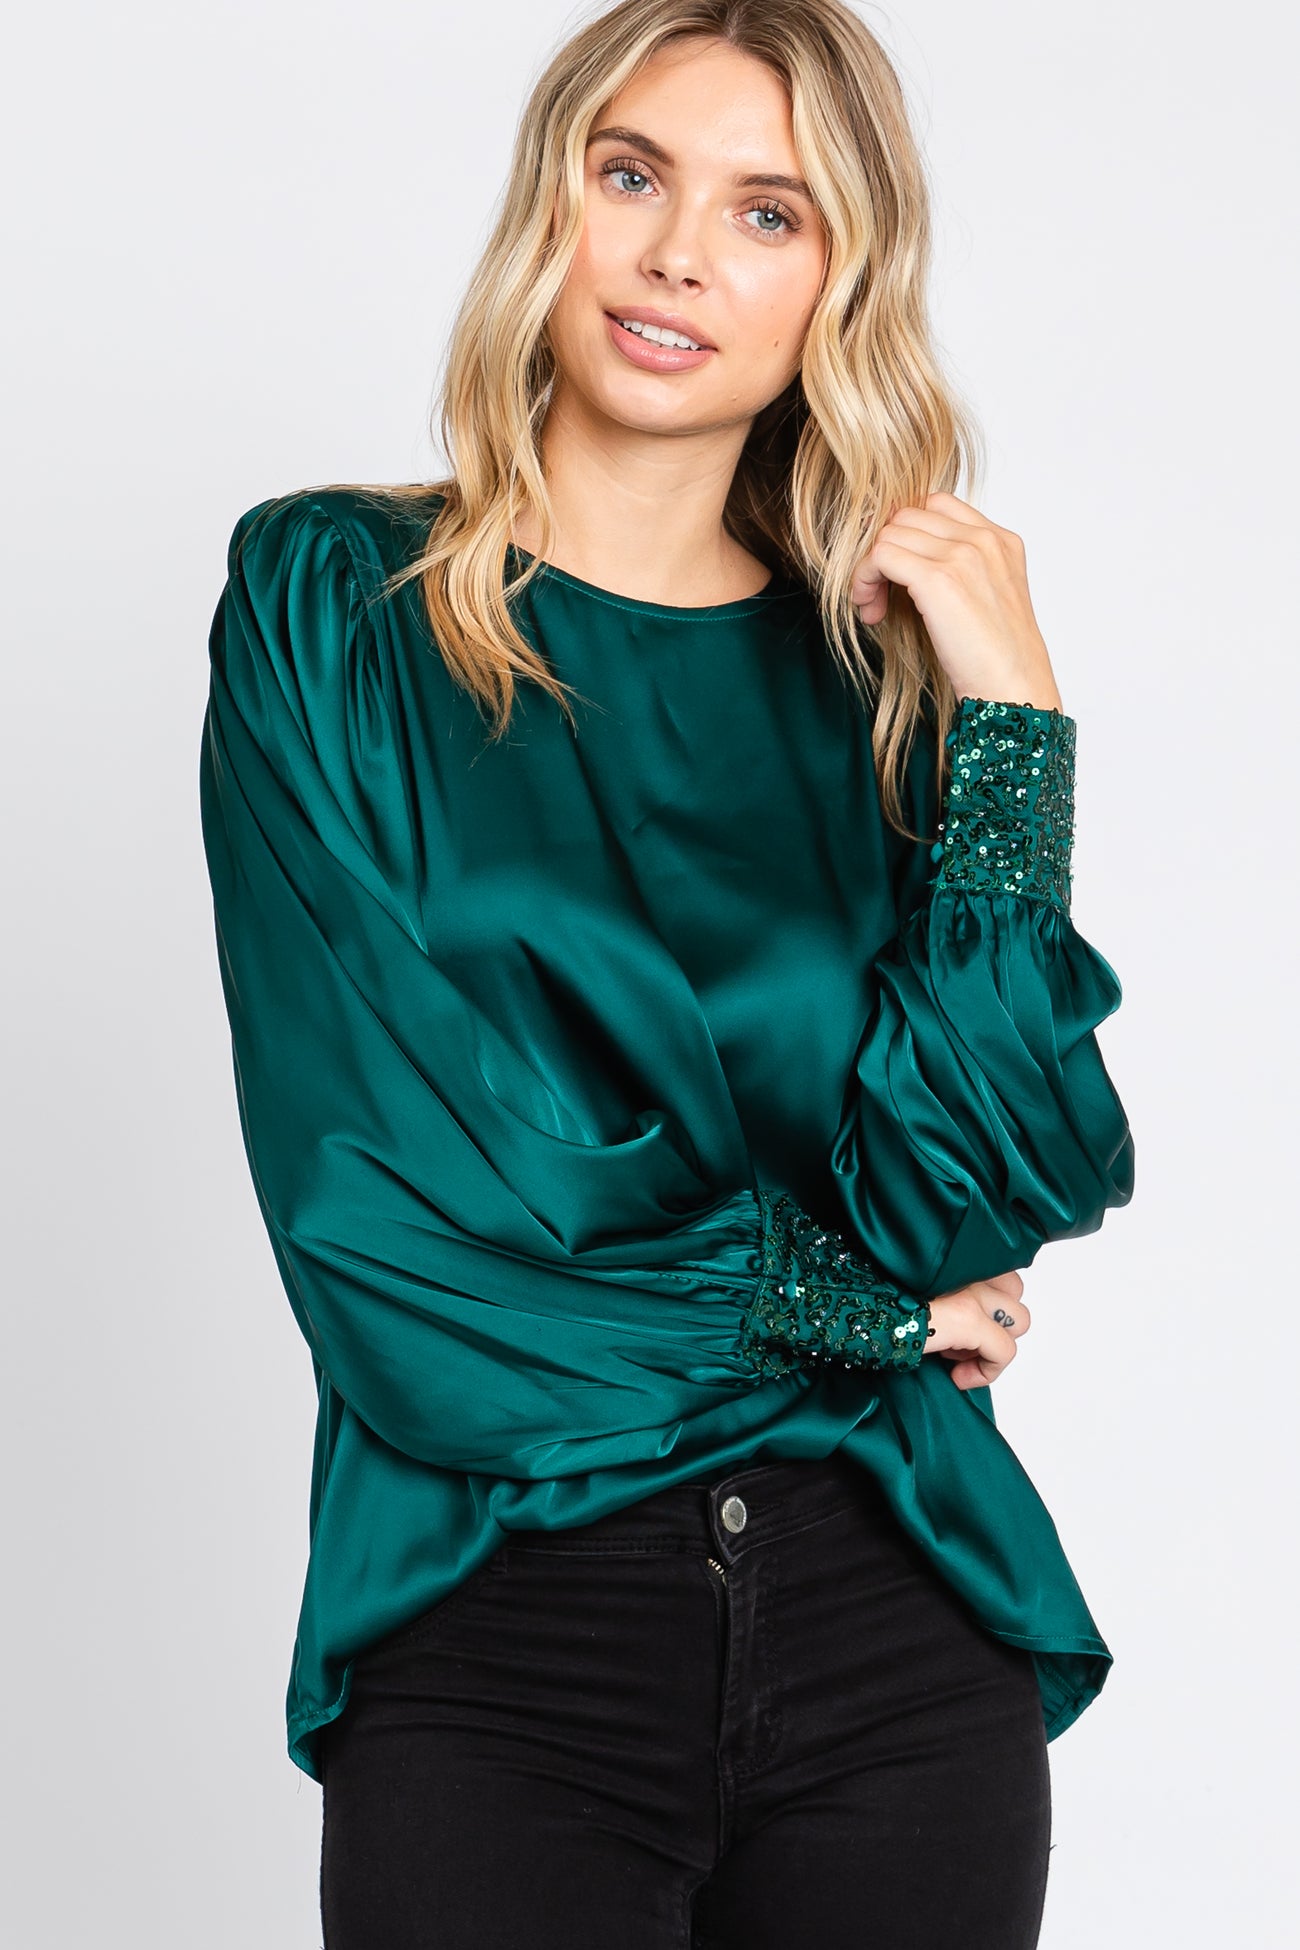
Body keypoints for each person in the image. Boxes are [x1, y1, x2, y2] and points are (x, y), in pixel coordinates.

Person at [198, 2, 1135, 1944]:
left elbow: (977, 1187)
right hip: (500, 1633)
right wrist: (864, 1314)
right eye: (631, 174)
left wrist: (1015, 723)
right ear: (552, 202)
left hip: (901, 1634)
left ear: (837, 286)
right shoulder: (330, 612)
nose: (678, 255)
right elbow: (400, 1228)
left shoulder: (876, 689)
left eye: (766, 212)